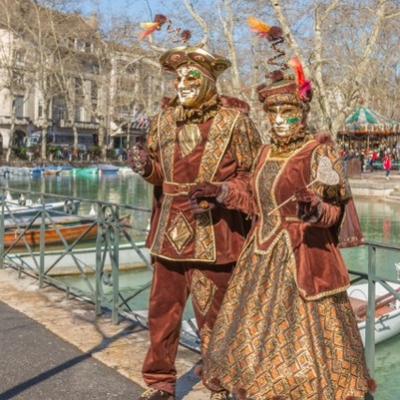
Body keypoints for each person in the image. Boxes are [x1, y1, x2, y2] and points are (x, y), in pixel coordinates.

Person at [200, 25, 374, 400]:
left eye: (287, 112)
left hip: (304, 260)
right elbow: (251, 196)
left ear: (302, 113)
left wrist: (314, 210)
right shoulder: (263, 153)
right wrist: (221, 191)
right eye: (273, 113)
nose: (278, 120)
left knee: (309, 350)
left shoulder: (319, 152)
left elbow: (334, 212)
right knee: (252, 335)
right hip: (260, 257)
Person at [129, 46, 261, 400]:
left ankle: (219, 382)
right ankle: (160, 383)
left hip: (214, 233)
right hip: (169, 233)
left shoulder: (236, 123)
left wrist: (221, 190)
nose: (182, 84)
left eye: (191, 78)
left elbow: (254, 177)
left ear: (208, 82)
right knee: (162, 314)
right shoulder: (163, 121)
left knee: (215, 317)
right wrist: (145, 167)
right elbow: (160, 176)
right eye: (179, 78)